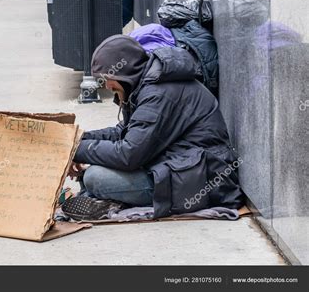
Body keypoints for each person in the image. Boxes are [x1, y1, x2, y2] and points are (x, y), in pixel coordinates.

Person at [63, 35, 244, 221]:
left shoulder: (159, 93)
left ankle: (114, 202)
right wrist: (76, 139)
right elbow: (123, 132)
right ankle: (112, 200)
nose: (107, 85)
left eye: (107, 78)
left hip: (205, 179)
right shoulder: (146, 85)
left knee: (95, 177)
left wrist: (75, 150)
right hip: (179, 166)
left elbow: (128, 154)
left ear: (124, 73)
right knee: (94, 169)